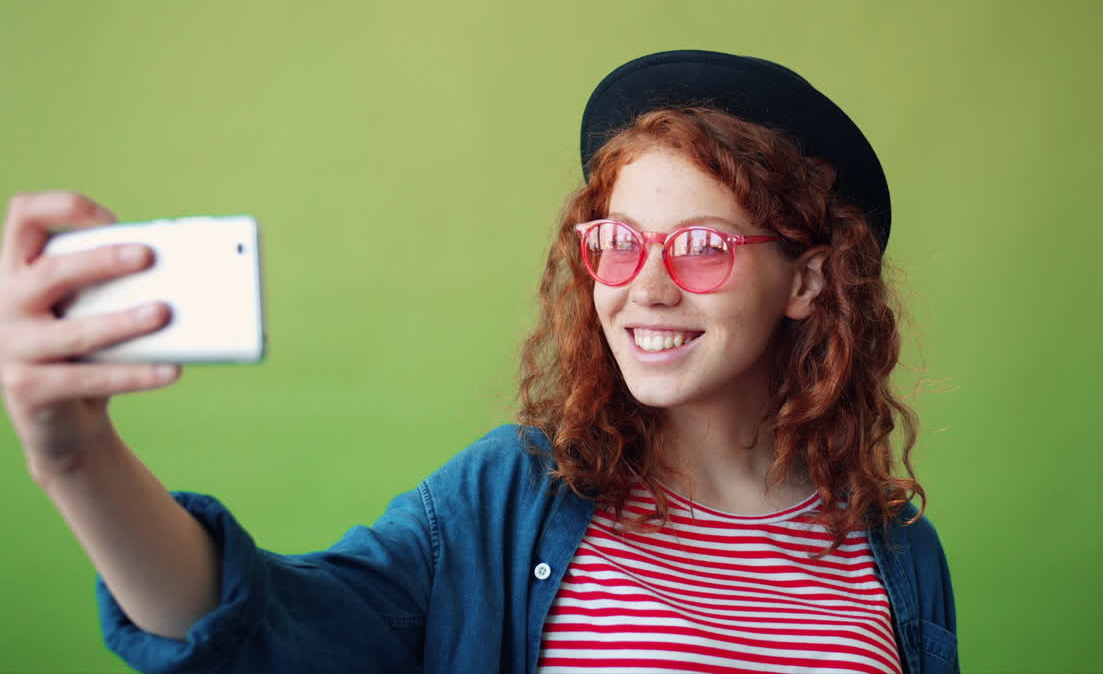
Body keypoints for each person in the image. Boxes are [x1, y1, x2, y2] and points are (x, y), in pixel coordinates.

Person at [2, 50, 958, 674]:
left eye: (703, 247)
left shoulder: (900, 559)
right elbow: (266, 632)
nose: (646, 288)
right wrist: (74, 457)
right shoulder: (513, 499)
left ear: (808, 282)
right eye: (617, 242)